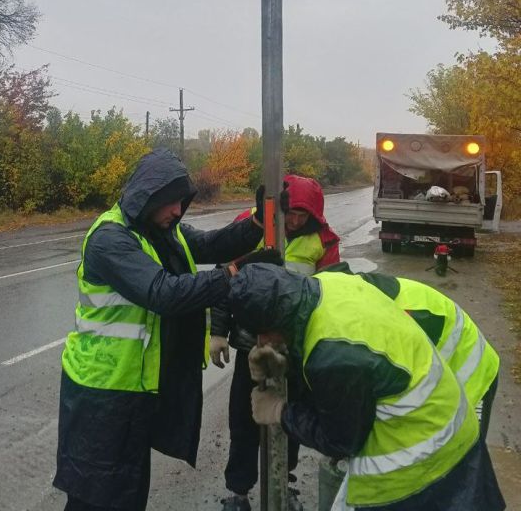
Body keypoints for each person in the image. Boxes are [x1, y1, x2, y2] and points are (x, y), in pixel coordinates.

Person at [53, 148, 283, 511]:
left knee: (127, 495)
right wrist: (234, 274)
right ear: (149, 196)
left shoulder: (160, 231)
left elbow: (212, 244)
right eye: (172, 202)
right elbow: (162, 293)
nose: (179, 211)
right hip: (100, 395)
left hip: (131, 390)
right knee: (95, 497)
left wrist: (258, 220)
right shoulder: (111, 240)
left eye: (181, 203)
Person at [229, 264, 505, 511]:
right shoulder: (329, 285)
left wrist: (280, 412)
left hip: (426, 448)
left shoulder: (334, 357)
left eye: (260, 334)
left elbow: (339, 440)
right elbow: (351, 367)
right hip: (437, 403)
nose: (261, 340)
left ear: (269, 326)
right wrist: (288, 364)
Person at [210, 175, 340, 510]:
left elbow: (333, 293)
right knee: (243, 419)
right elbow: (225, 282)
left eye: (302, 214)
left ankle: (286, 482)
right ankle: (238, 491)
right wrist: (218, 332)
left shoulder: (321, 242)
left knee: (291, 417)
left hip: (295, 348)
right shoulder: (253, 231)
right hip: (249, 343)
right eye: (290, 213)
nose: (295, 220)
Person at [345, 268, 500, 437]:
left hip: (474, 378)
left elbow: (406, 382)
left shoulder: (410, 316)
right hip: (442, 379)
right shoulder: (376, 296)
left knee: (466, 446)